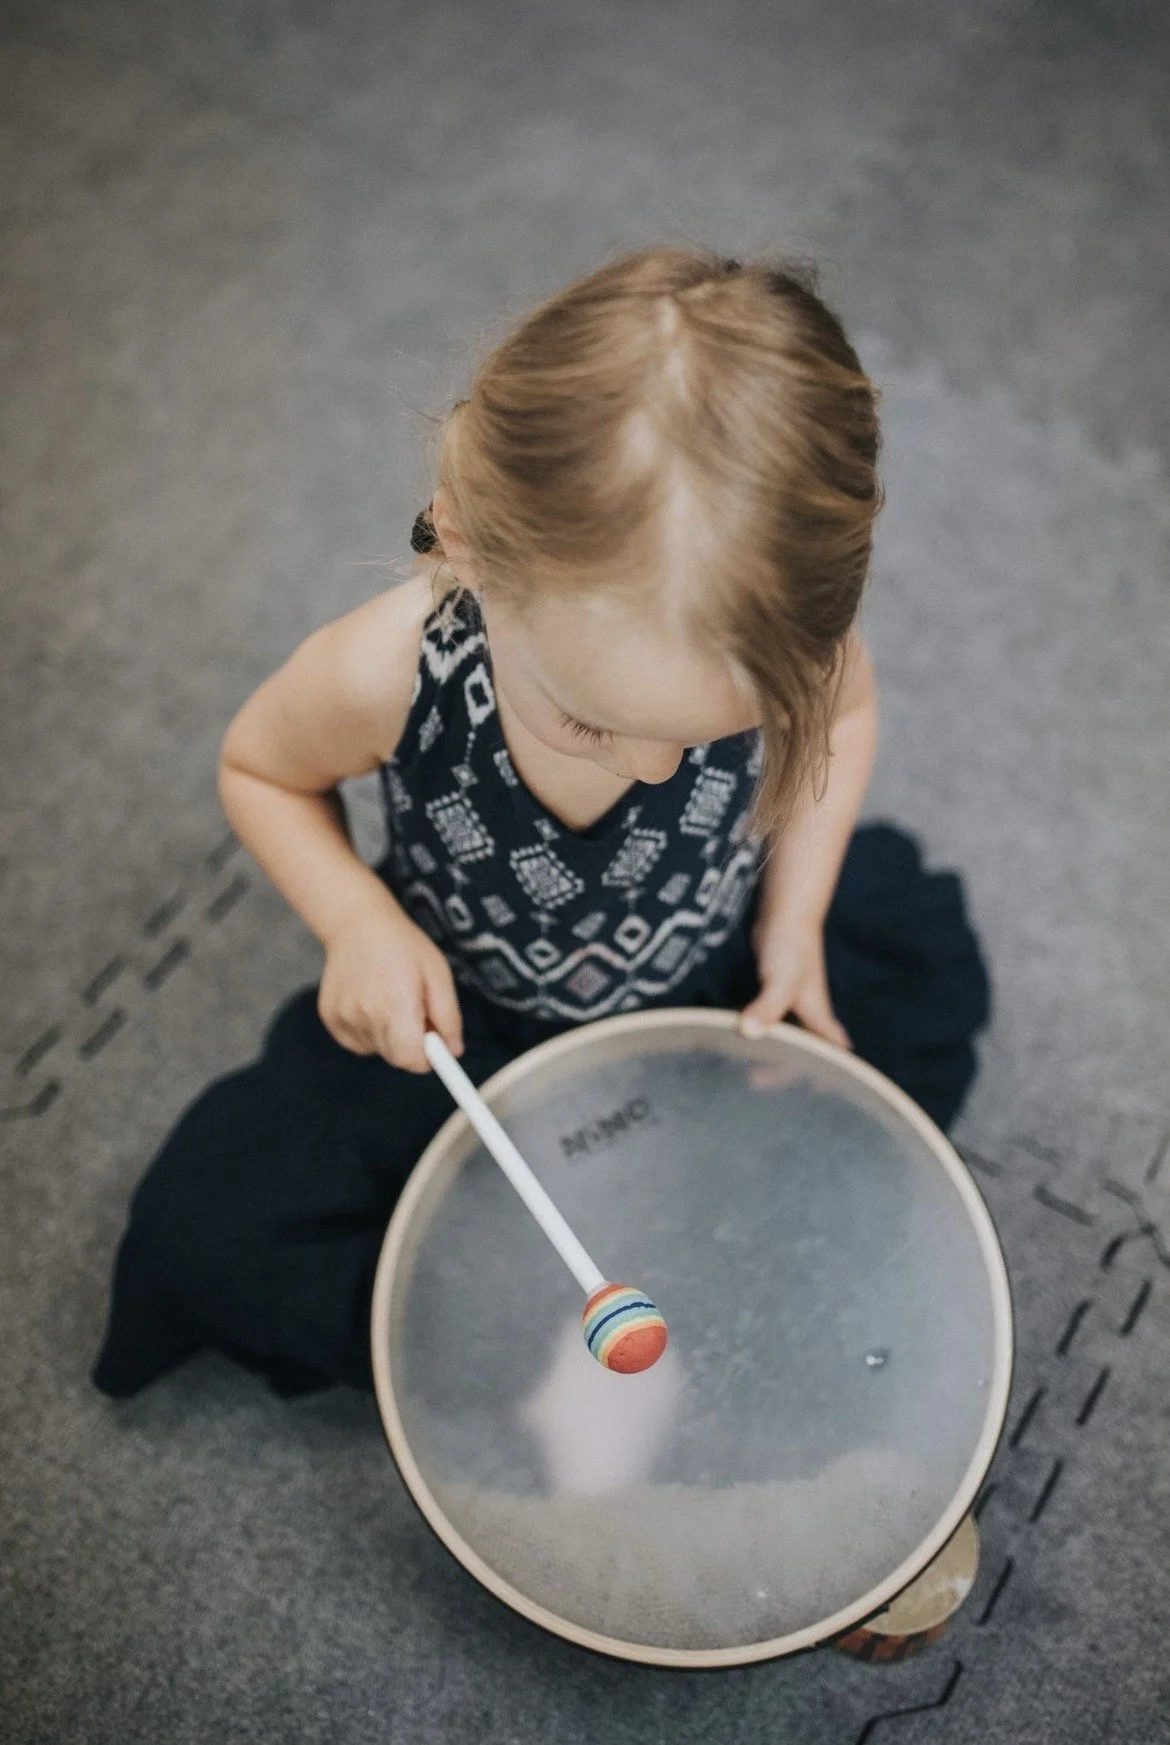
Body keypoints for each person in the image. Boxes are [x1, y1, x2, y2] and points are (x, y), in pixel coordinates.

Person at [92, 247, 990, 1401]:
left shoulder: (788, 635)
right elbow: (260, 771)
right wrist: (358, 922)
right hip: (464, 1021)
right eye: (593, 721)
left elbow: (847, 714)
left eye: (716, 729)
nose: (658, 765)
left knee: (880, 1074)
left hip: (703, 976)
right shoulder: (388, 668)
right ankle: (515, 1333)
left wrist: (797, 914)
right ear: (467, 546)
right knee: (216, 1224)